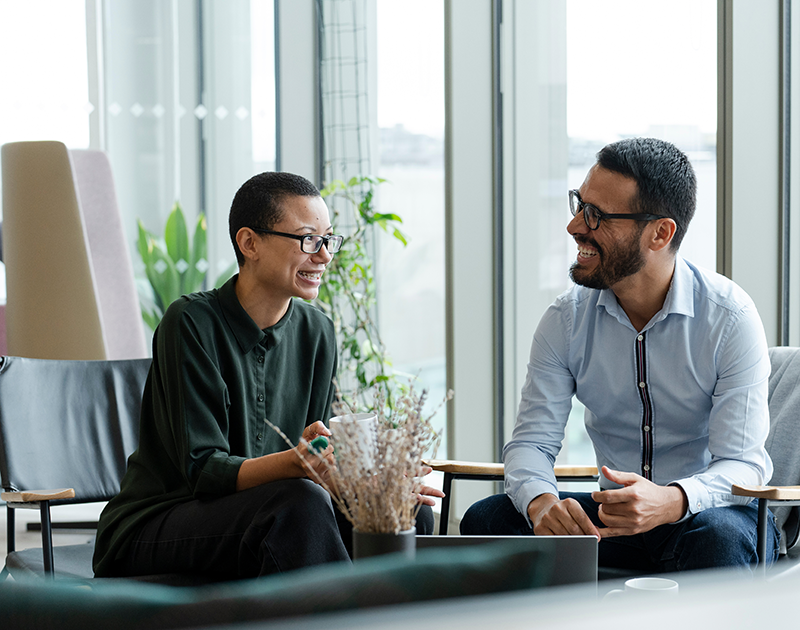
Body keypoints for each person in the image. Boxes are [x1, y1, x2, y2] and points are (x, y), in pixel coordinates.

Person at [93, 171, 440, 580]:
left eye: (328, 240)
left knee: (401, 511)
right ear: (249, 242)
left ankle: (376, 627)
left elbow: (315, 452)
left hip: (269, 512)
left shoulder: (317, 332)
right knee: (299, 505)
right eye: (309, 239)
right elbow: (204, 470)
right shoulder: (189, 323)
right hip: (158, 523)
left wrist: (371, 479)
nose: (325, 255)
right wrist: (297, 464)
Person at [461, 137, 779, 573]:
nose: (575, 226)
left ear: (660, 233)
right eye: (579, 205)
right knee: (488, 519)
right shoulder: (566, 319)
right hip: (611, 520)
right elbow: (532, 443)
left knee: (719, 538)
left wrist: (672, 499)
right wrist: (541, 504)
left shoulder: (729, 318)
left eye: (596, 216)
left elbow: (742, 466)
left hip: (705, 515)